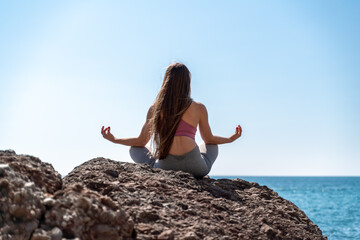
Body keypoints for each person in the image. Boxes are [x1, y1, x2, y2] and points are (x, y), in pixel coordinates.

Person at [101, 63, 242, 178]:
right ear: (187, 82)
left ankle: (155, 164)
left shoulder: (155, 108)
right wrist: (230, 139)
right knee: (211, 145)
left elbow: (140, 142)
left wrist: (115, 139)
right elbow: (209, 139)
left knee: (135, 150)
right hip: (196, 168)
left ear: (166, 82)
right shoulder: (199, 108)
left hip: (165, 167)